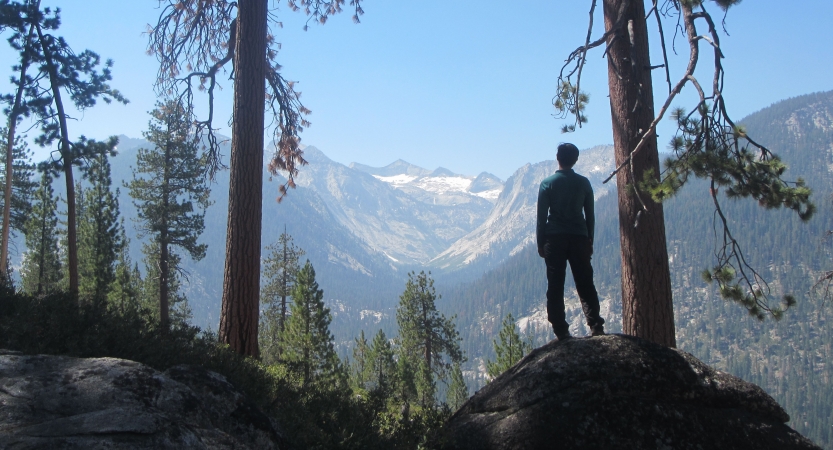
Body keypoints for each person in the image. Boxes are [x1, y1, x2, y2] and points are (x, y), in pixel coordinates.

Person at [537, 143, 605, 341]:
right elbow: (590, 215)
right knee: (585, 283)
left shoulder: (547, 183)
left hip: (554, 239)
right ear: (575, 160)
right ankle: (595, 325)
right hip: (579, 238)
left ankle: (560, 330)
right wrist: (589, 238)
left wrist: (541, 242)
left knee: (555, 284)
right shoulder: (583, 183)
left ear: (557, 157)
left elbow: (541, 217)